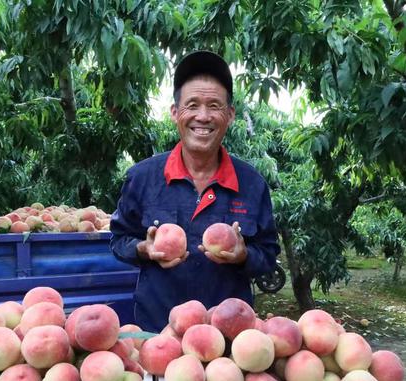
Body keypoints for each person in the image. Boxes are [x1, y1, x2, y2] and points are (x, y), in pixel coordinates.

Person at [110, 50, 280, 332]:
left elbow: (268, 255)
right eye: (192, 105)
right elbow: (118, 240)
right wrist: (144, 248)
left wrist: (243, 256)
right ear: (175, 112)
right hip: (158, 333)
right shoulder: (142, 178)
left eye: (214, 106)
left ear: (230, 115)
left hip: (229, 341)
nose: (203, 116)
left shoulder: (251, 184)